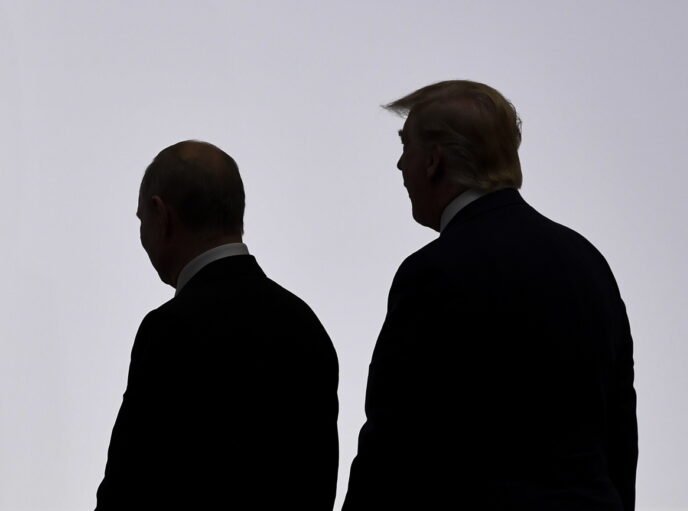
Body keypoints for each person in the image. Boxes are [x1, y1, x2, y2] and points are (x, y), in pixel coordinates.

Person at [343, 81, 638, 511]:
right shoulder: (587, 262)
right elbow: (618, 428)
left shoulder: (434, 271)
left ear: (433, 161)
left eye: (405, 146)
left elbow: (394, 441)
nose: (398, 165)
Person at [95, 140, 339, 510]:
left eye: (141, 219)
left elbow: (130, 485)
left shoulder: (169, 330)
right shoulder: (305, 324)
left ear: (162, 216)